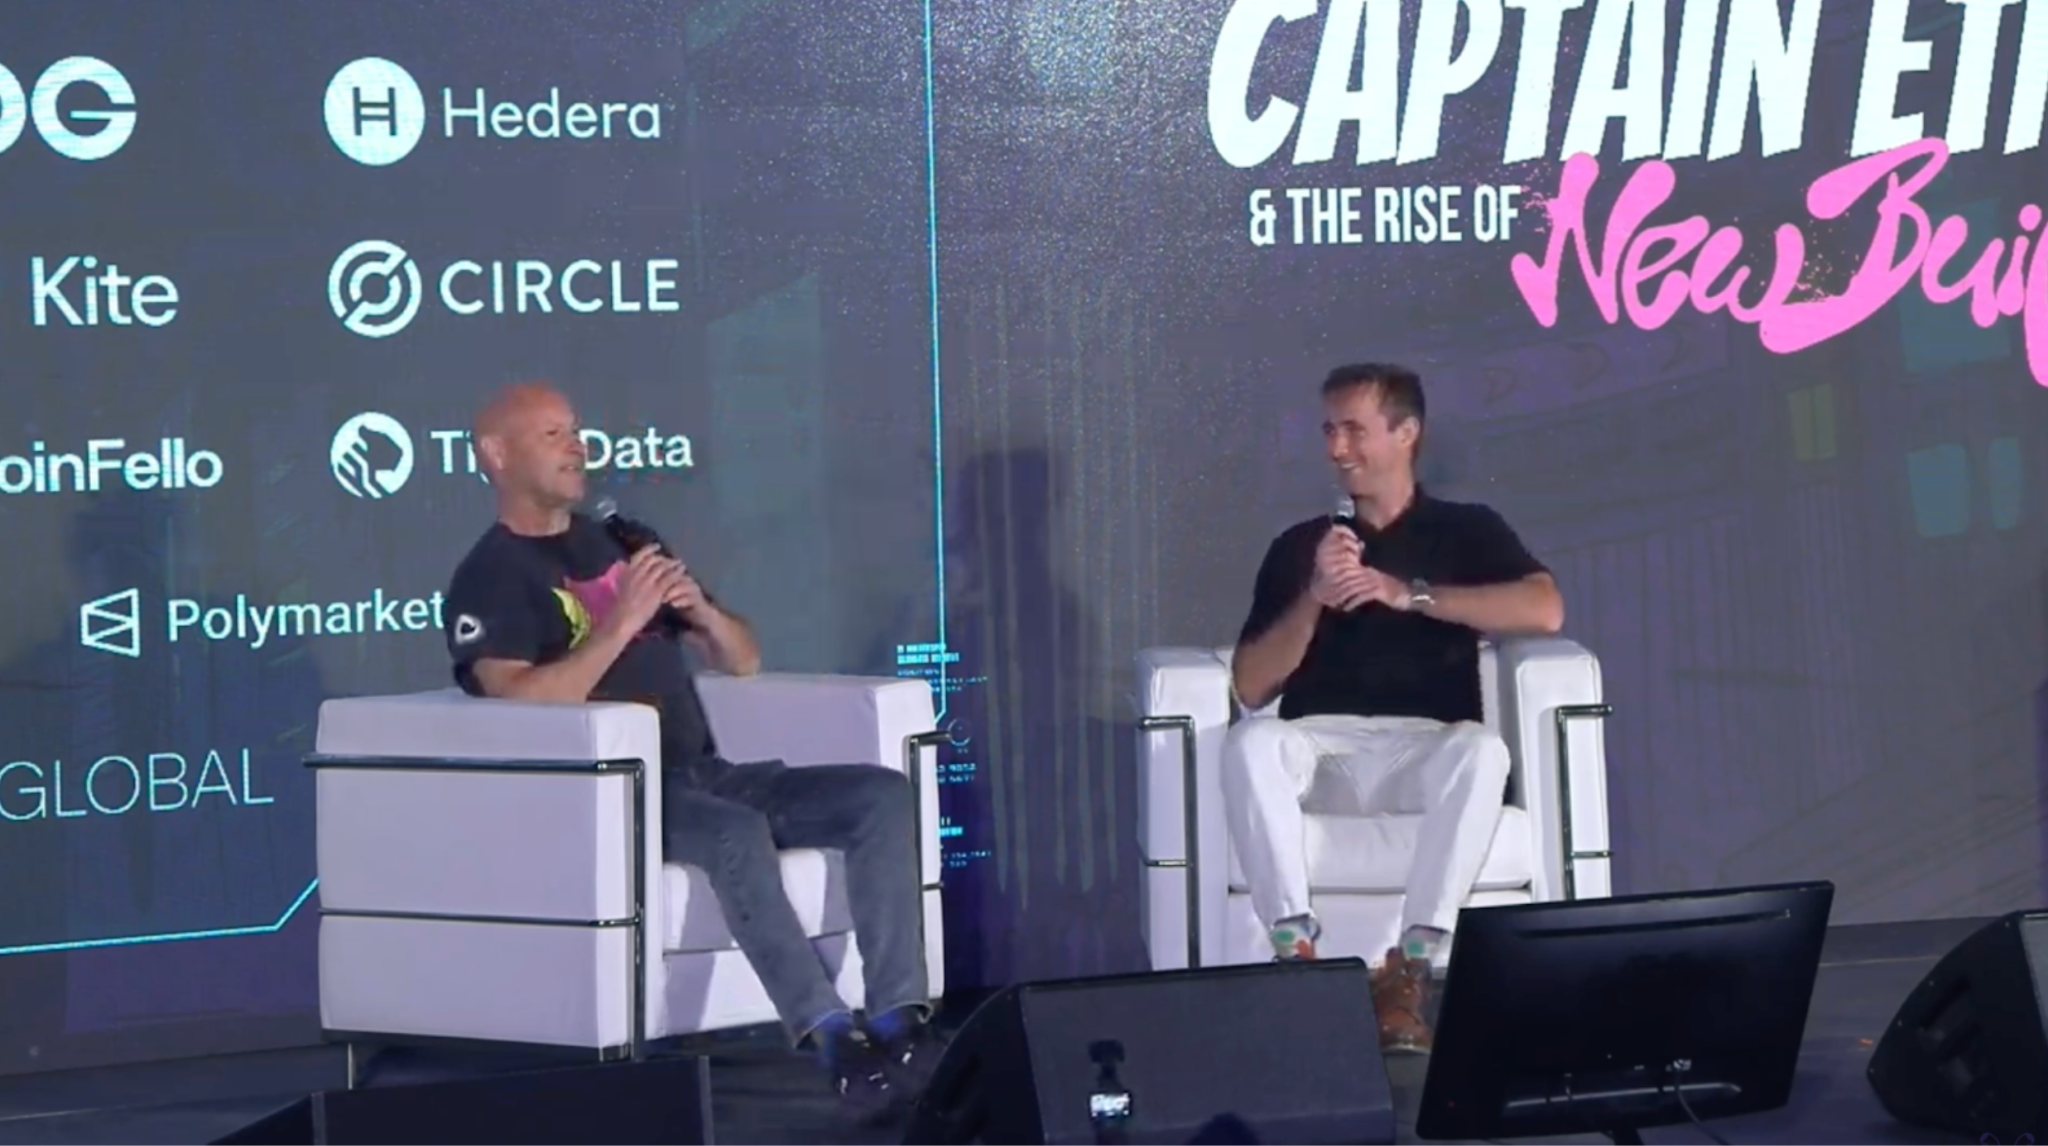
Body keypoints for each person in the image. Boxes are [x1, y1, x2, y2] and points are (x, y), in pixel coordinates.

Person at [440, 382, 941, 1124]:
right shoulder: (488, 577)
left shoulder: (622, 543)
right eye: (552, 435)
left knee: (879, 795)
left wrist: (697, 608)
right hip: (616, 796)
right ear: (496, 454)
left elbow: (742, 659)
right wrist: (621, 622)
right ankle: (831, 1037)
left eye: (575, 430)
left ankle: (900, 1023)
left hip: (705, 772)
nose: (577, 446)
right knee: (732, 831)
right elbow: (517, 703)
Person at [1223, 363, 1564, 1054]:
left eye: (1354, 430)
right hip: (1320, 748)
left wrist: (1410, 594)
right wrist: (1316, 595)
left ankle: (1412, 967)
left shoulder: (1466, 529)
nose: (1336, 448)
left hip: (1422, 750)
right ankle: (1296, 954)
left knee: (1482, 750)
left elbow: (1545, 609)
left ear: (1406, 433)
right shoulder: (1301, 545)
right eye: (1329, 431)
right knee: (1250, 743)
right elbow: (1251, 688)